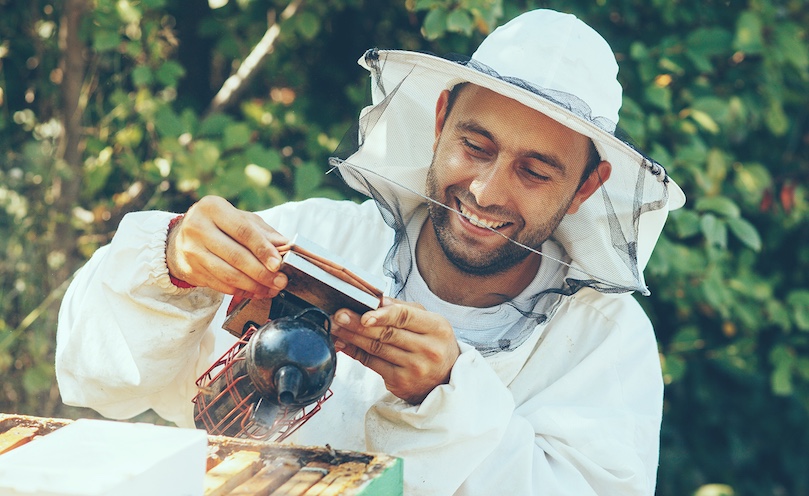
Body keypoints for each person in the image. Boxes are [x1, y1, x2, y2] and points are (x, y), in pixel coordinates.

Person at [55, 8, 685, 495]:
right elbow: (95, 373)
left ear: (586, 187)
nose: (487, 190)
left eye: (536, 171)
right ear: (440, 123)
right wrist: (170, 263)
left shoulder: (606, 343)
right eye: (476, 145)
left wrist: (445, 397)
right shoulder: (313, 237)